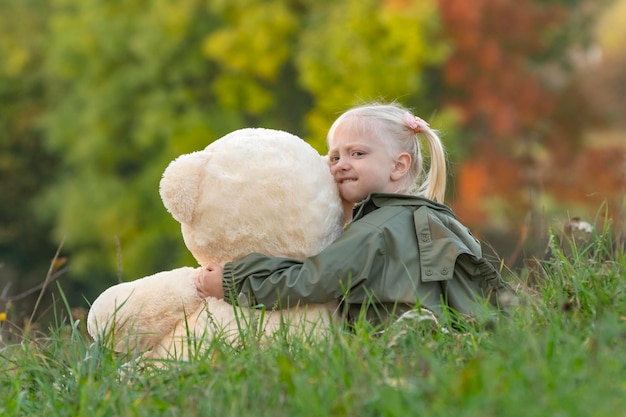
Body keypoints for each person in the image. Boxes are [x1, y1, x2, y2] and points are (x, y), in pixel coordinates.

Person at [195, 102, 517, 328]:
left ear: (399, 165)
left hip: (388, 343)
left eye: (357, 153)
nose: (340, 164)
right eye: (334, 156)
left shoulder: (374, 231)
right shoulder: (442, 219)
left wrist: (232, 281)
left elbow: (311, 280)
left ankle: (411, 331)